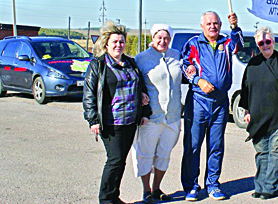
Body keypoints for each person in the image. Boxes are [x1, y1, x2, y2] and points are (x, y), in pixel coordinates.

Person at [83, 21, 152, 204]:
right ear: (106, 43)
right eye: (115, 42)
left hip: (130, 120)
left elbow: (141, 88)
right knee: (114, 160)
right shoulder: (99, 65)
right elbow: (89, 94)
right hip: (110, 121)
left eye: (121, 42)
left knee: (120, 161)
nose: (118, 45)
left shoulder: (130, 62)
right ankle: (106, 199)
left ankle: (114, 196)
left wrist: (145, 110)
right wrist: (93, 119)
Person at [181, 11, 242, 201]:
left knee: (216, 146)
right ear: (202, 26)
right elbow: (185, 66)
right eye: (208, 23)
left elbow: (238, 44)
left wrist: (234, 27)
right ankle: (191, 186)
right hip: (198, 101)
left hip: (220, 103)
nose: (212, 26)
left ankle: (213, 184)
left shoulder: (226, 42)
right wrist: (198, 81)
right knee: (193, 145)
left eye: (215, 23)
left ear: (220, 24)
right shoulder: (193, 44)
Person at [239, 26, 278, 200]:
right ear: (257, 45)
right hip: (257, 118)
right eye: (261, 43)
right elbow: (246, 89)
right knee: (261, 153)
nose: (265, 45)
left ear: (273, 42)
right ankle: (260, 186)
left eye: (268, 41)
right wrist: (247, 111)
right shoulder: (253, 64)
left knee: (275, 152)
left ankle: (271, 188)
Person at [133, 24, 183, 203]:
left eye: (166, 38)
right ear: (153, 37)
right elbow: (133, 82)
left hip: (173, 116)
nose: (163, 41)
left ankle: (156, 188)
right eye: (159, 37)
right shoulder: (141, 59)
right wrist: (139, 95)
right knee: (145, 153)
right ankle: (146, 190)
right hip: (151, 116)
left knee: (164, 153)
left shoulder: (176, 55)